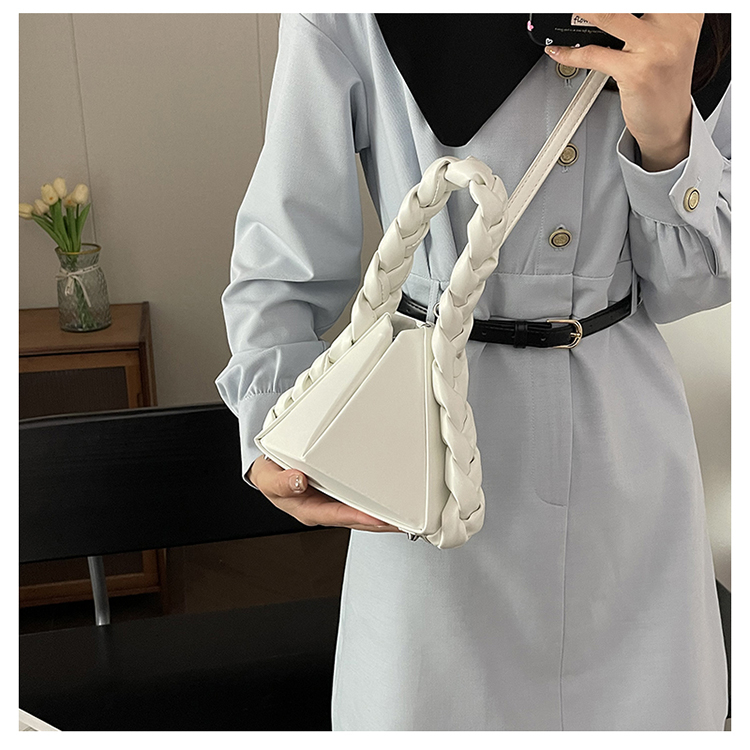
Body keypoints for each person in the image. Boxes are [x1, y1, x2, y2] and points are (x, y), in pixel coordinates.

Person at [215, 13, 731, 730]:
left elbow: (687, 289)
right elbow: (282, 258)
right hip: (424, 446)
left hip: (630, 468)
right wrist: (273, 419)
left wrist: (670, 138)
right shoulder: (346, 15)